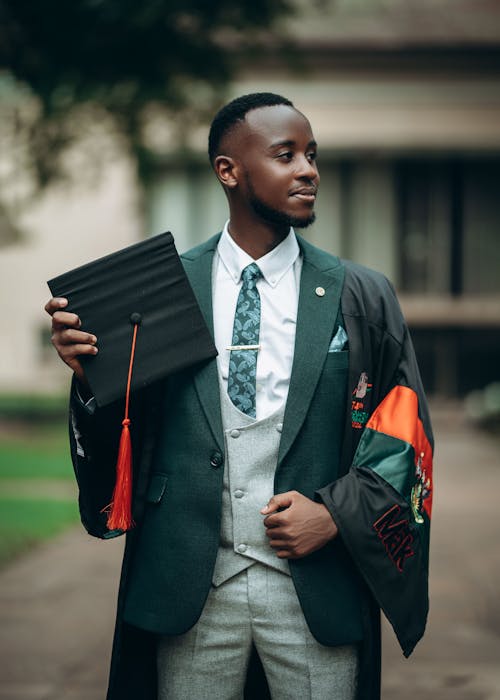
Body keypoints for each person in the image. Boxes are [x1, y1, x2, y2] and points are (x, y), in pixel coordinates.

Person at [45, 92, 433, 700]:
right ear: (228, 170)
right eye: (286, 155)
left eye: (312, 155)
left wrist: (336, 513)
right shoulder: (163, 291)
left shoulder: (361, 295)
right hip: (190, 587)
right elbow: (128, 423)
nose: (309, 170)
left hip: (314, 589)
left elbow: (404, 432)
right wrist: (86, 375)